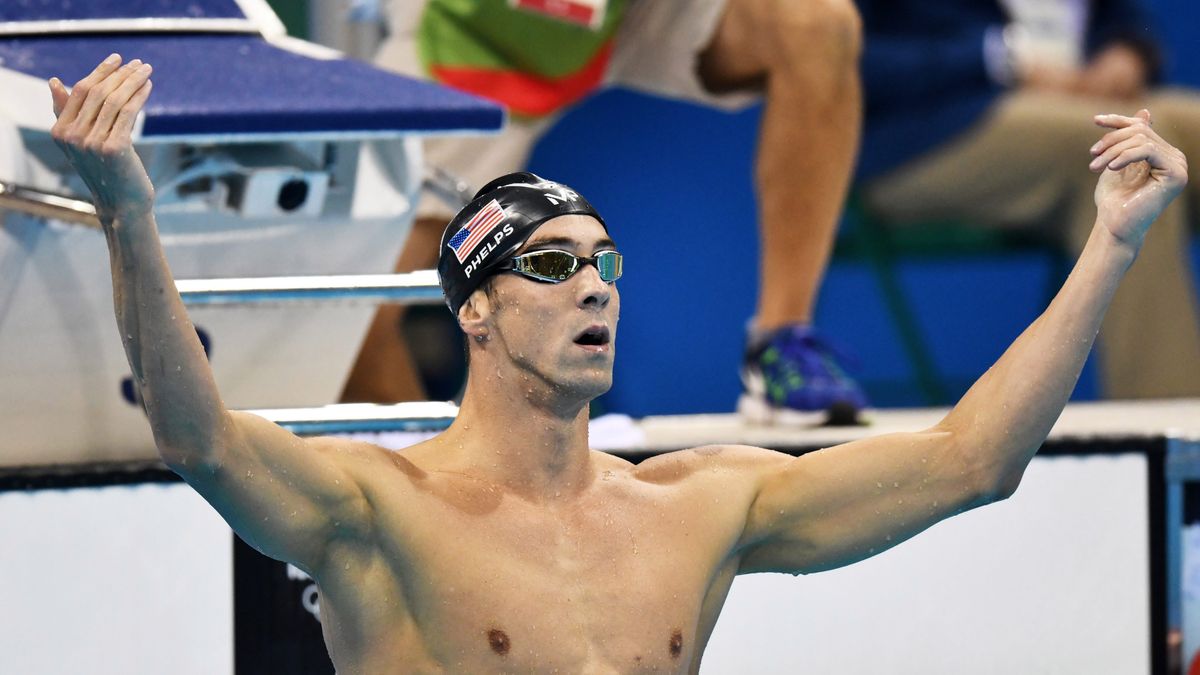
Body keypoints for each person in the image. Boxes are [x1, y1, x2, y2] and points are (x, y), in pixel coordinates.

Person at [51, 54, 1185, 672]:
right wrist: (126, 216)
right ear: (479, 314)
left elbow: (972, 460)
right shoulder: (378, 509)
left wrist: (1110, 245)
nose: (594, 285)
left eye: (603, 262)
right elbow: (195, 438)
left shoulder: (701, 504)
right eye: (549, 266)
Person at [342, 0, 869, 425]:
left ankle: (780, 341)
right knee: (350, 319)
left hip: (621, 14)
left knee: (817, 24)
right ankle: (431, 501)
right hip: (470, 27)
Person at [855, 0, 1200, 399]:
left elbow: (1118, 15)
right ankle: (1178, 441)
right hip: (931, 128)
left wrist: (1126, 49)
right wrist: (995, 58)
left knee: (1166, 133)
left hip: (1083, 98)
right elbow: (846, 57)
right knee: (1127, 157)